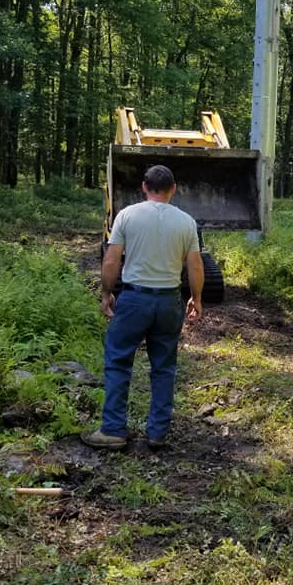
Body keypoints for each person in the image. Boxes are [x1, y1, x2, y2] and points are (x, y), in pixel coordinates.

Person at [81, 164, 203, 450]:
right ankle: (157, 433)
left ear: (145, 188)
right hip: (168, 301)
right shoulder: (186, 222)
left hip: (134, 300)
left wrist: (106, 293)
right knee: (164, 367)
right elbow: (195, 265)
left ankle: (113, 430)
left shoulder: (127, 215)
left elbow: (111, 261)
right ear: (174, 189)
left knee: (119, 361)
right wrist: (196, 298)